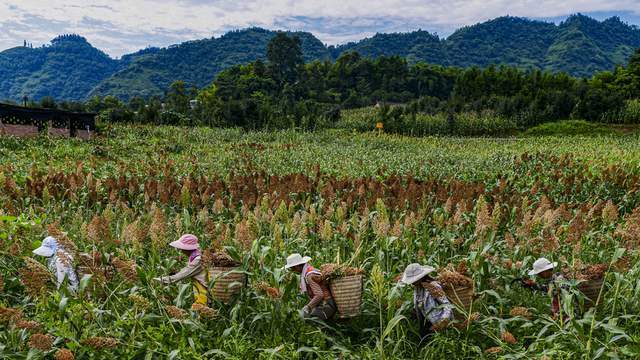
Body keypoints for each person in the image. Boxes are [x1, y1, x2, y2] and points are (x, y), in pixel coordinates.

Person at [401, 263, 453, 344]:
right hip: (425, 323)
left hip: (437, 322)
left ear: (421, 277)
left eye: (414, 280)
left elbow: (447, 305)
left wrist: (443, 322)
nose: (412, 282)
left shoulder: (433, 286)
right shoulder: (417, 288)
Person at [154, 234, 208, 307]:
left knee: (201, 311)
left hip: (204, 291)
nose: (181, 251)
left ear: (188, 249)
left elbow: (183, 274)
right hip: (199, 290)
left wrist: (162, 280)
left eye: (182, 248)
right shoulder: (194, 256)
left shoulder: (198, 259)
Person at [284, 253, 336, 321]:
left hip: (327, 304)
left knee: (310, 321)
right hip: (324, 303)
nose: (293, 270)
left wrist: (308, 307)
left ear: (296, 266)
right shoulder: (309, 270)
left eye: (292, 268)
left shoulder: (309, 275)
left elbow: (319, 295)